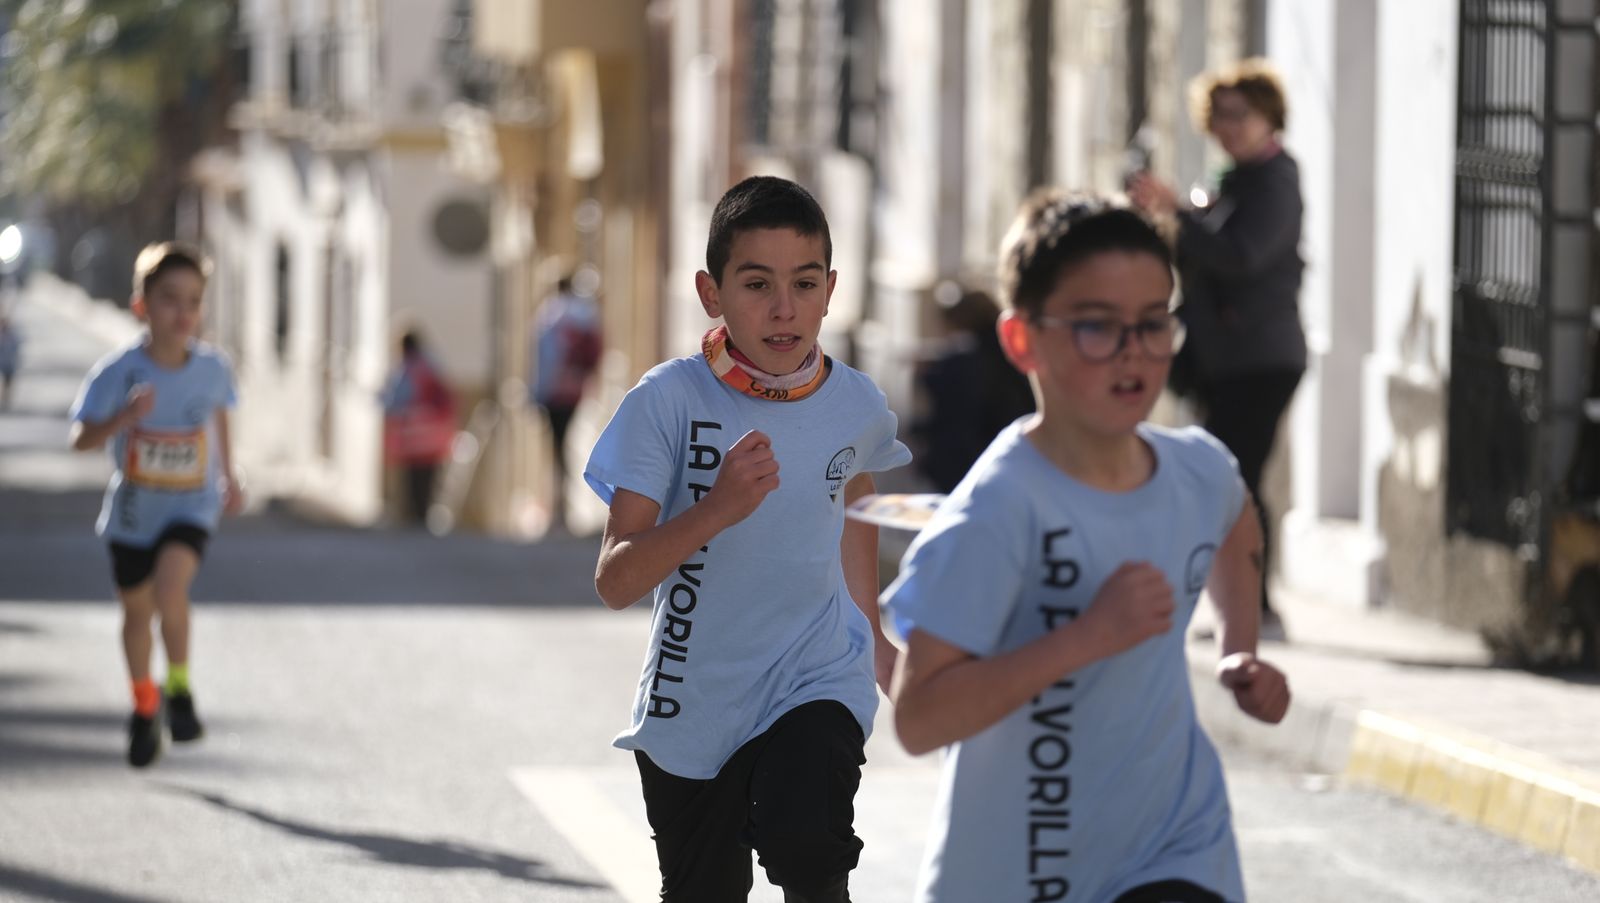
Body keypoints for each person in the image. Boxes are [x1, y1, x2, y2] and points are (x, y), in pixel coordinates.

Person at [883, 192, 1290, 903]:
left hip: (1175, 847)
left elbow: (1235, 521)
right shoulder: (997, 511)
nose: (1133, 352)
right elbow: (919, 718)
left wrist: (1239, 646)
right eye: (1097, 326)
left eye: (1153, 323)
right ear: (1022, 341)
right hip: (1020, 874)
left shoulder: (1198, 469)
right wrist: (1086, 637)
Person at [585, 174, 911, 902]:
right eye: (757, 283)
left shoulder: (857, 404)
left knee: (810, 850)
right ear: (712, 293)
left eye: (803, 283)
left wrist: (876, 638)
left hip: (816, 675)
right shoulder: (666, 400)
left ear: (832, 290)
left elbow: (852, 502)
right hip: (695, 700)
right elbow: (616, 580)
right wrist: (714, 508)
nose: (784, 308)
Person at [1129, 58, 1306, 636]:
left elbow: (1240, 255)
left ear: (1267, 117)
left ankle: (1256, 608)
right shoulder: (1232, 180)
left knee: (1237, 480)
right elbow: (1202, 260)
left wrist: (1177, 211)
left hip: (1262, 359)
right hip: (1227, 360)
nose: (1228, 125)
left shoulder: (1276, 181)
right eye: (1220, 115)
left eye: (1241, 114)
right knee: (1225, 479)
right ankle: (1243, 602)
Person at [68, 241, 243, 768]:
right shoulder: (118, 370)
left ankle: (180, 689)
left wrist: (231, 476)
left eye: (193, 300)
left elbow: (219, 420)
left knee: (172, 588)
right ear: (141, 305)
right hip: (132, 514)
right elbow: (80, 439)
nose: (183, 311)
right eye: (169, 298)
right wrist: (123, 417)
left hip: (191, 505)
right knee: (136, 614)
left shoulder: (213, 369)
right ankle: (145, 704)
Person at [910, 285, 1035, 492]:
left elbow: (952, 421)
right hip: (1008, 458)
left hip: (967, 463)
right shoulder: (1011, 353)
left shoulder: (964, 362)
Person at [529, 274, 602, 531]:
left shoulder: (550, 316)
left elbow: (543, 360)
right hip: (575, 389)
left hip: (553, 392)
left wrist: (536, 392)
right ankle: (566, 506)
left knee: (557, 449)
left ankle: (560, 508)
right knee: (566, 446)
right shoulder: (585, 314)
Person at [381, 330, 457, 525]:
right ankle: (424, 514)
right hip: (435, 438)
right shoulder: (432, 366)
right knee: (429, 478)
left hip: (415, 438)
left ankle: (414, 516)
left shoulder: (408, 369)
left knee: (413, 480)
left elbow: (396, 401)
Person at [0, 315, 20, 410]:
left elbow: (16, 347)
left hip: (9, 364)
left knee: (8, 383)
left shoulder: (12, 335)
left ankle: (6, 398)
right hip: (2, 363)